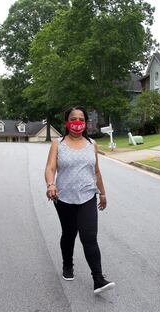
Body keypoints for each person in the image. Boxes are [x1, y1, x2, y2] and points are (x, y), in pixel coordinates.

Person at [44, 106, 115, 294]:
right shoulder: (58, 144)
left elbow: (96, 171)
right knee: (69, 234)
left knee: (89, 237)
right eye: (73, 119)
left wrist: (103, 193)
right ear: (67, 122)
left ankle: (98, 279)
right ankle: (68, 264)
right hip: (64, 198)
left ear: (85, 122)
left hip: (87, 196)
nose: (78, 123)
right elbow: (50, 168)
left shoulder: (92, 144)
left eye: (81, 119)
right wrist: (51, 184)